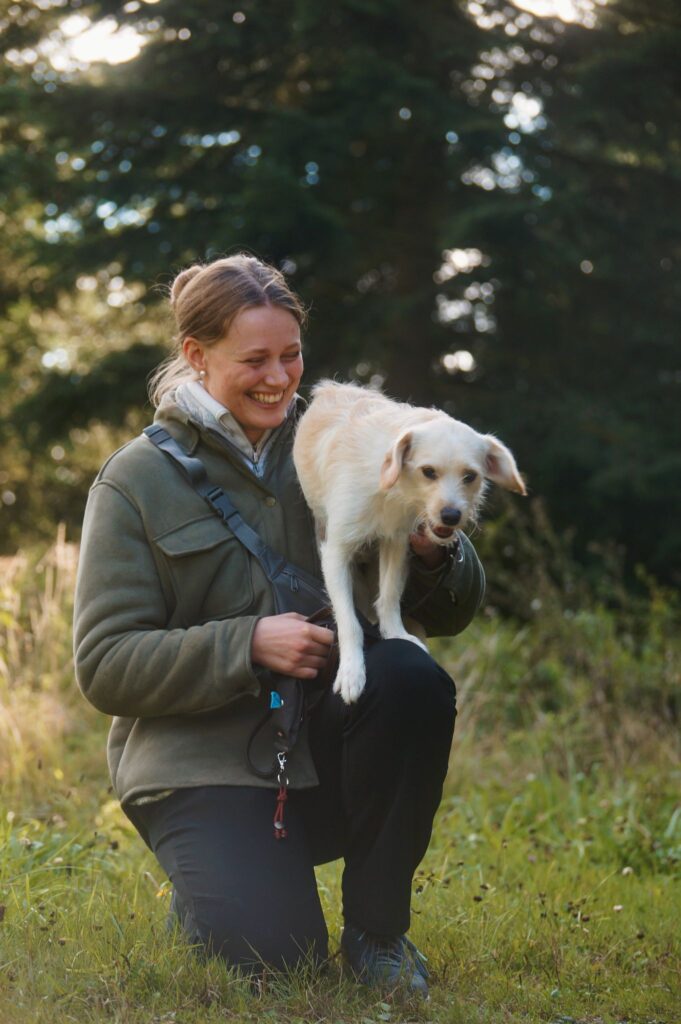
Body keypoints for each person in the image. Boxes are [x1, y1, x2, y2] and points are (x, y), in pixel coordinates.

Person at [73, 254, 486, 994]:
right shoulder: (134, 481)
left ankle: (378, 934)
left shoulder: (344, 440)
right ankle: (216, 891)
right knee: (273, 954)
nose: (278, 377)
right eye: (253, 359)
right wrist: (245, 644)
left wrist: (431, 547)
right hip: (198, 767)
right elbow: (104, 664)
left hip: (323, 750)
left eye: (291, 355)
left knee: (410, 675)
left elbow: (451, 613)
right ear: (196, 356)